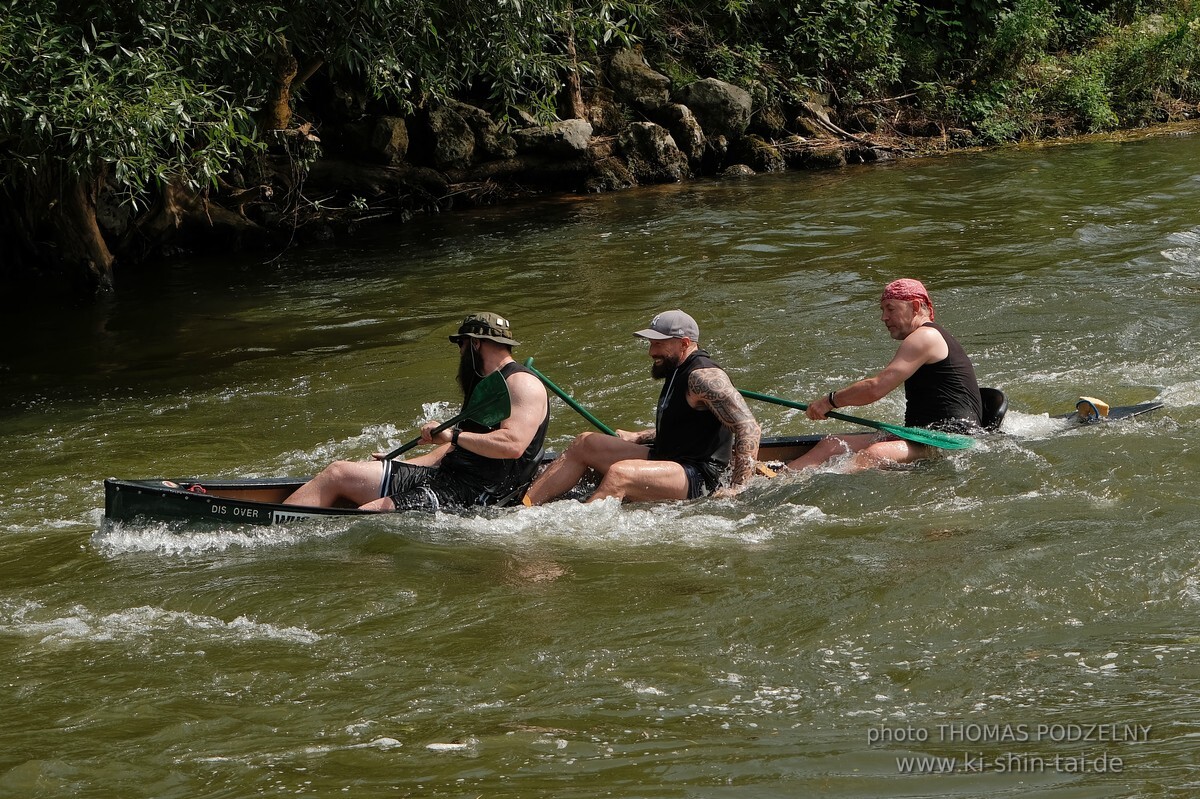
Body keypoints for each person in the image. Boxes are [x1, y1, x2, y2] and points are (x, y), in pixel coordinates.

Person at [284, 312, 549, 511]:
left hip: (477, 495)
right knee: (338, 473)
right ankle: (278, 521)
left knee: (365, 516)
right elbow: (456, 449)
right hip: (446, 476)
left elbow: (512, 445)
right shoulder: (486, 385)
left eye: (461, 345)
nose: (460, 353)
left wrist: (452, 435)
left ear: (475, 344)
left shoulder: (521, 384)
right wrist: (397, 464)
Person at [523, 309, 760, 505]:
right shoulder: (676, 368)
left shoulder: (704, 377)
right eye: (650, 343)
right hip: (669, 457)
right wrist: (639, 436)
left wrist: (738, 488)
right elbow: (688, 426)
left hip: (698, 475)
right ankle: (525, 507)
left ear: (684, 343)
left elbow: (748, 428)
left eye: (658, 344)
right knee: (585, 443)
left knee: (620, 474)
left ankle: (570, 529)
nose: (651, 352)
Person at [786, 278, 983, 473]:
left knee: (875, 454)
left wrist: (829, 401)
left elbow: (875, 388)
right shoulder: (921, 337)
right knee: (831, 444)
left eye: (890, 309)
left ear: (915, 306)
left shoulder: (925, 337)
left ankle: (819, 488)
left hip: (950, 440)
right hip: (919, 435)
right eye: (883, 310)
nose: (884, 317)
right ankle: (777, 478)